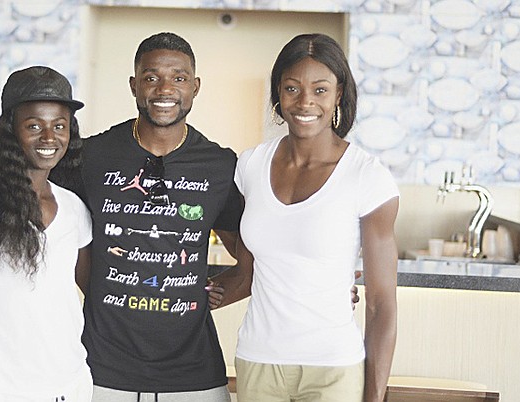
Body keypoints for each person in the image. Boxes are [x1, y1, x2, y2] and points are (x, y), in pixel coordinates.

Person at [50, 32, 242, 402]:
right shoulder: (90, 157)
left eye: (179, 78)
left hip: (194, 374)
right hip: (100, 368)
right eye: (152, 77)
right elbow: (42, 224)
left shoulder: (220, 166)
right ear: (134, 85)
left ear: (195, 87)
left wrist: (320, 286)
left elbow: (253, 258)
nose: (164, 89)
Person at [212, 33, 399, 402]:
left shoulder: (367, 175)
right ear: (278, 94)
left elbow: (381, 305)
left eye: (320, 89)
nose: (305, 102)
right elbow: (245, 266)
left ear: (338, 95)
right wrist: (180, 292)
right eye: (292, 88)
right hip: (258, 361)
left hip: (333, 368)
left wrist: (374, 397)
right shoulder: (250, 166)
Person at [0, 66, 93, 402]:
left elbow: (94, 294)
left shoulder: (74, 208)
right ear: (11, 130)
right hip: (6, 391)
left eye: (60, 126)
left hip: (74, 388)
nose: (49, 138)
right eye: (34, 126)